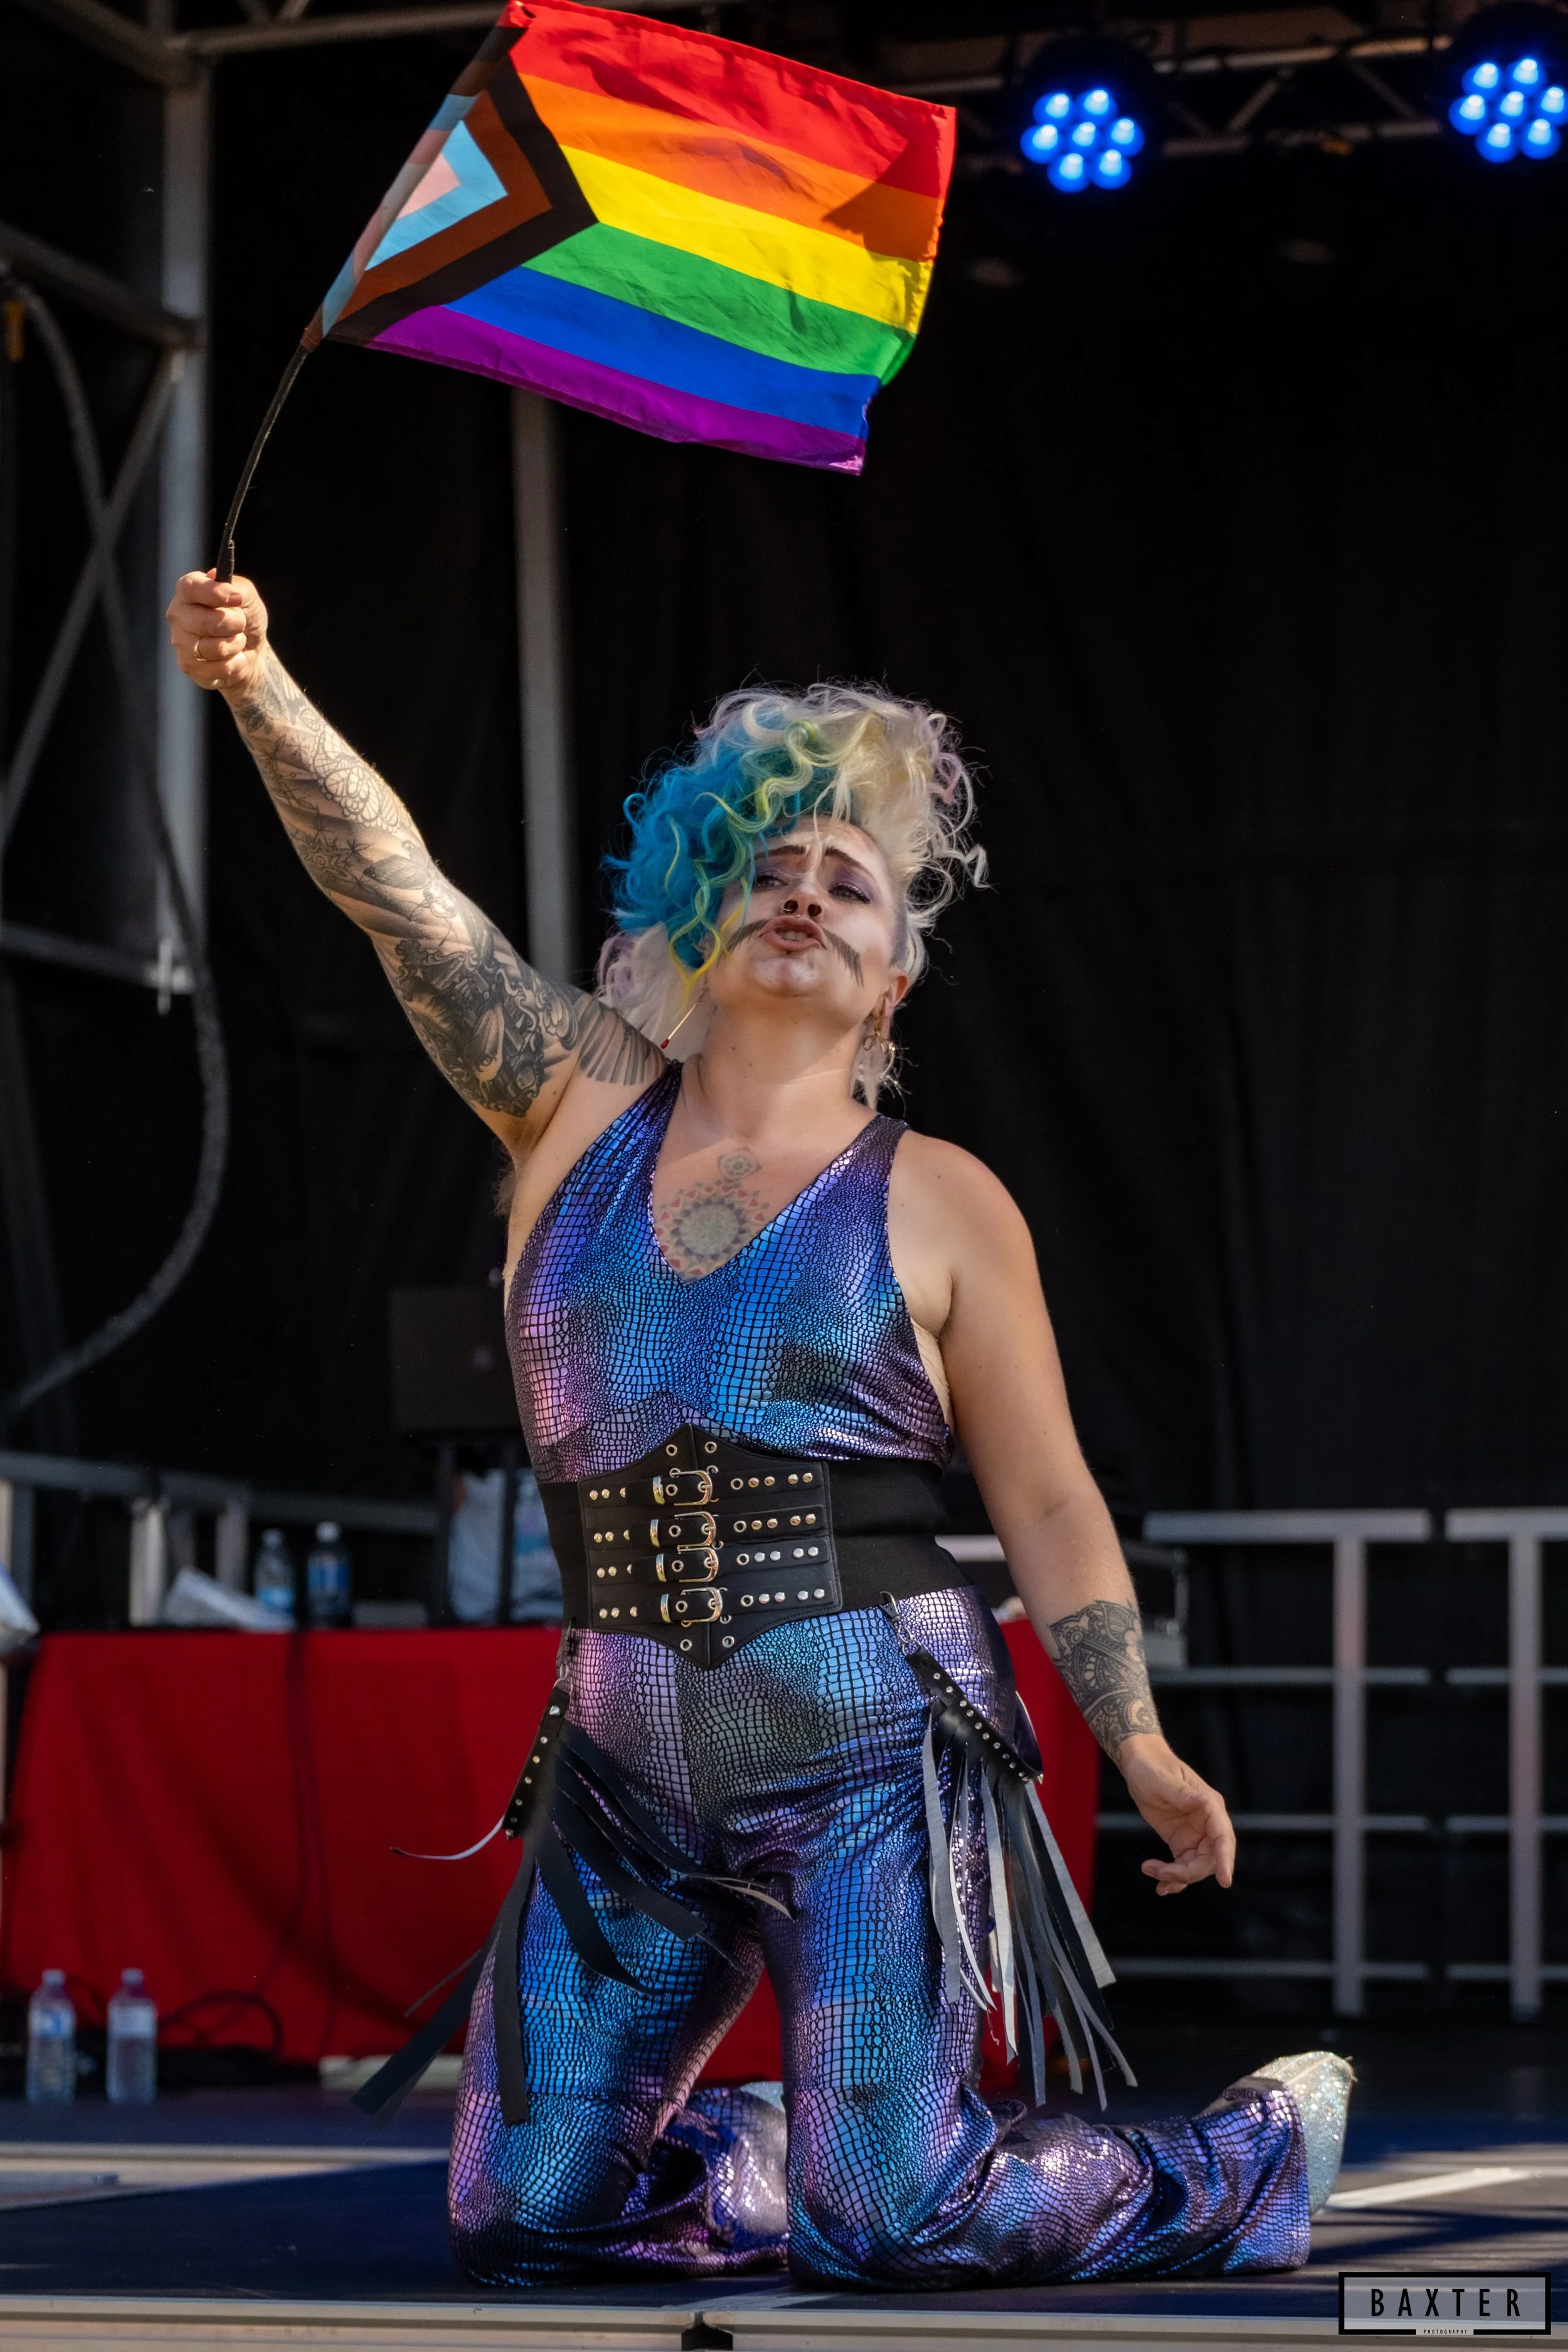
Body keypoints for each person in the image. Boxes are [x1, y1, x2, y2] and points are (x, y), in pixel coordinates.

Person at [166, 568, 1350, 2291]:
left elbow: (1044, 1493)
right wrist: (260, 686)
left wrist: (1139, 1737)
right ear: (702, 922)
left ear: (889, 983)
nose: (803, 893)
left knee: (900, 2224)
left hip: (876, 1757)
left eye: (848, 884)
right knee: (528, 2211)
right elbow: (401, 901)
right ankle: (792, 2146)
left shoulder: (942, 1200)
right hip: (626, 1767)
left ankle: (1239, 2163)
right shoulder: (567, 1107)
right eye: (771, 870)